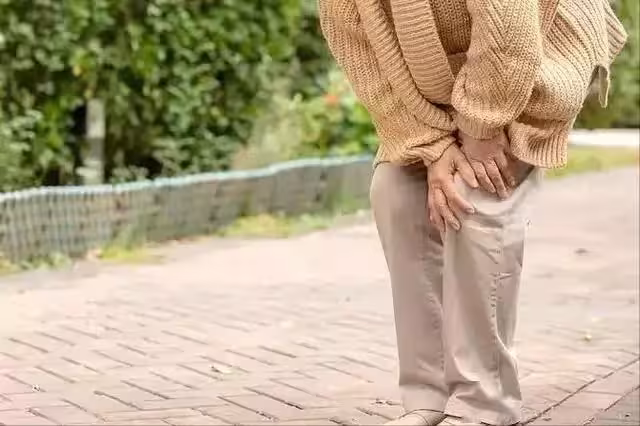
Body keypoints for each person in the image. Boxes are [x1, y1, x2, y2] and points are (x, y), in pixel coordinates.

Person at [317, 1, 627, 425]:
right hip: (444, 85)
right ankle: (427, 396)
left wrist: (480, 130)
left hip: (536, 52)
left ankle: (485, 403)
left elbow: (510, 35)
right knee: (393, 191)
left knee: (474, 193)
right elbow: (367, 64)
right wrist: (433, 147)